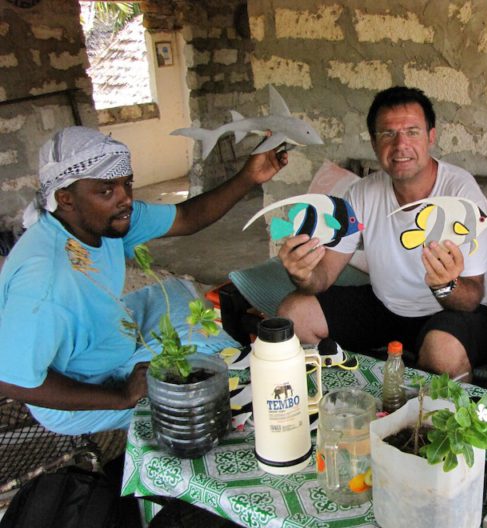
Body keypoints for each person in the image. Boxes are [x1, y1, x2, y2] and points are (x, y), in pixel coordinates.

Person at [0, 126, 286, 436]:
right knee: (203, 387)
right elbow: (13, 379)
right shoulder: (46, 284)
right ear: (65, 199)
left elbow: (187, 218)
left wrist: (249, 176)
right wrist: (122, 395)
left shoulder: (98, 222)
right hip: (87, 386)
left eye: (127, 184)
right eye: (107, 190)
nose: (124, 199)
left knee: (177, 293)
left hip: (107, 334)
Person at [277, 86, 487, 380]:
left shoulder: (461, 195)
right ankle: (343, 394)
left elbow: (471, 297)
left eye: (412, 132)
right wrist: (302, 274)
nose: (400, 145)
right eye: (387, 134)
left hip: (453, 312)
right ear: (373, 142)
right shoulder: (360, 194)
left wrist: (444, 285)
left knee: (442, 351)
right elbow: (323, 276)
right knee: (293, 312)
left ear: (431, 137)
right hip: (387, 306)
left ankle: (437, 415)